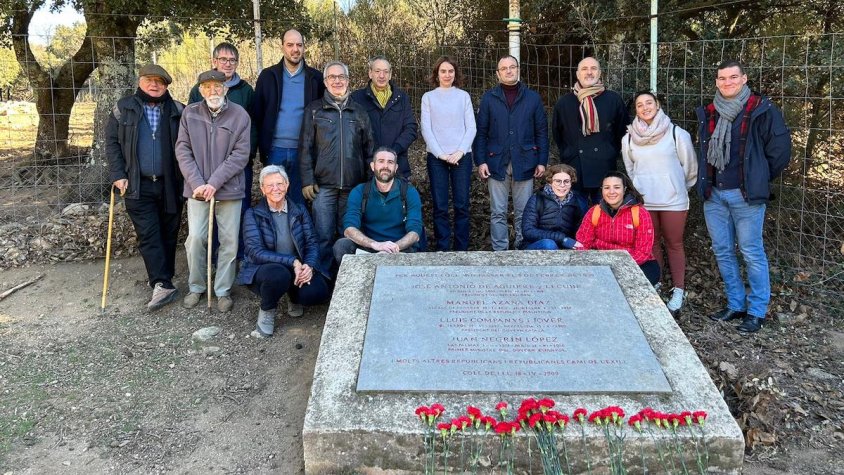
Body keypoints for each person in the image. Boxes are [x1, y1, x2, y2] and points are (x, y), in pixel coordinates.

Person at [697, 60, 792, 333]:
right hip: (714, 195)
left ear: (744, 79)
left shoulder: (762, 110)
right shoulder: (710, 111)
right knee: (724, 251)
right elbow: (704, 150)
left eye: (733, 77)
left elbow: (780, 152)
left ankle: (756, 310)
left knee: (751, 252)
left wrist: (757, 176)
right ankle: (735, 304)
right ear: (716, 82)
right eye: (722, 78)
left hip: (746, 196)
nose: (728, 82)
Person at [106, 64, 185, 311]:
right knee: (149, 233)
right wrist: (118, 174)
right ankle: (161, 283)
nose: (154, 85)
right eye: (150, 80)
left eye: (160, 82)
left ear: (166, 86)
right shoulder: (124, 108)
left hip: (170, 183)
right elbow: (111, 142)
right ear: (140, 81)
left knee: (169, 231)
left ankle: (165, 275)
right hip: (137, 184)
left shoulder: (177, 110)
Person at [175, 70, 251, 312]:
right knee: (195, 239)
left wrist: (214, 182)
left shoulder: (239, 115)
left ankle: (223, 290)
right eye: (207, 87)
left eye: (218, 86)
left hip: (229, 189)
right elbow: (183, 150)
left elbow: (240, 155)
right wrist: (198, 183)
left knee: (229, 241)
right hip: (197, 189)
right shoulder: (190, 113)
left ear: (226, 88)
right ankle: (196, 286)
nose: (213, 91)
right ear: (200, 90)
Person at [622, 91, 698, 312]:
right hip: (645, 202)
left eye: (649, 103)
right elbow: (631, 170)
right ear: (635, 110)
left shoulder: (677, 134)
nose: (645, 107)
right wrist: (642, 188)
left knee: (674, 244)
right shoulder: (628, 139)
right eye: (639, 105)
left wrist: (677, 188)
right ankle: (657, 283)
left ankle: (678, 289)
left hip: (673, 201)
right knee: (651, 244)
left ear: (657, 105)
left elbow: (690, 169)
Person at [237, 165, 331, 338]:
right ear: (263, 189)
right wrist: (293, 261)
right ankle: (267, 311)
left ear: (287, 185)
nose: (275, 189)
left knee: (317, 292)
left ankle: (293, 296)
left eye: (279, 184)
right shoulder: (253, 214)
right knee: (278, 275)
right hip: (266, 268)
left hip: (296, 267)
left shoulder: (299, 210)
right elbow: (255, 251)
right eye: (270, 185)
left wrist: (308, 266)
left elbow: (311, 242)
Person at [299, 60, 375, 272]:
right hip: (323, 187)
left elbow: (370, 149)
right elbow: (305, 147)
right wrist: (307, 179)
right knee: (322, 235)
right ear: (325, 81)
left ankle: (345, 284)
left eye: (341, 76)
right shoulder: (314, 110)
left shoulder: (359, 112)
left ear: (348, 80)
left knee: (348, 236)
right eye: (332, 77)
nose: (337, 81)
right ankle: (323, 280)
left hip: (353, 187)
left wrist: (369, 184)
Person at [187, 42, 257, 259]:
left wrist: (248, 155)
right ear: (214, 61)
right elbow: (189, 129)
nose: (227, 64)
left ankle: (239, 257)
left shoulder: (245, 91)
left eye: (232, 60)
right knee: (209, 216)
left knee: (238, 213)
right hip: (205, 168)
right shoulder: (198, 90)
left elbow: (253, 126)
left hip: (237, 165)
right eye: (223, 59)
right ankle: (213, 258)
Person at [474, 54, 549, 251]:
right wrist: (480, 161)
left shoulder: (532, 98)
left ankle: (522, 248)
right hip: (495, 162)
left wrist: (542, 161)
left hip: (525, 161)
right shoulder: (489, 98)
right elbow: (481, 132)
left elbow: (541, 131)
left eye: (512, 67)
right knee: (497, 211)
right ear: (498, 74)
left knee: (524, 211)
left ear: (518, 69)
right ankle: (500, 252)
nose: (508, 71)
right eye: (504, 68)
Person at [253, 29, 325, 205]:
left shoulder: (315, 78)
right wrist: (260, 149)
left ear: (304, 47)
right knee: (274, 200)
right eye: (290, 45)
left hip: (304, 152)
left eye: (299, 45)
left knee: (299, 202)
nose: (295, 49)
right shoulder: (268, 77)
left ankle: (297, 233)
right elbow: (257, 114)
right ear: (282, 47)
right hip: (275, 150)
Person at [552, 56, 630, 204]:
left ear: (600, 73)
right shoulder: (564, 103)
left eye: (593, 69)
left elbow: (623, 131)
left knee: (604, 218)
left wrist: (610, 151)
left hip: (604, 168)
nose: (589, 72)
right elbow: (558, 134)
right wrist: (569, 152)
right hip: (574, 168)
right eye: (584, 69)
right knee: (577, 219)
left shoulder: (613, 100)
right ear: (577, 74)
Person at [420, 56, 476, 251]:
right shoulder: (428, 97)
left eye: (450, 71)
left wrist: (459, 152)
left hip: (462, 157)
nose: (447, 75)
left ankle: (461, 249)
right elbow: (426, 129)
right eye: (443, 71)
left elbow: (471, 128)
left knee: (462, 205)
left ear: (455, 74)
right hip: (437, 159)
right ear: (437, 74)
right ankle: (443, 249)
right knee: (440, 206)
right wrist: (441, 154)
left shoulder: (463, 96)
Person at [333, 147, 423, 261]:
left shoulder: (409, 192)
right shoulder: (360, 191)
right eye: (381, 161)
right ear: (372, 166)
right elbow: (349, 229)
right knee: (342, 246)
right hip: (369, 249)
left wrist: (393, 248)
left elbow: (415, 232)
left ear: (395, 168)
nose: (385, 166)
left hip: (399, 249)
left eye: (390, 162)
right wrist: (376, 245)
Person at [575, 171, 660, 285]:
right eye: (606, 187)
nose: (611, 192)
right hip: (602, 260)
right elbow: (583, 243)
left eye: (616, 187)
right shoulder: (594, 212)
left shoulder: (639, 213)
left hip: (635, 261)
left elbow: (642, 251)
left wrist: (617, 268)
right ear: (602, 190)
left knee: (637, 282)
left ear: (624, 189)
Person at [351, 56, 418, 179]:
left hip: (398, 166)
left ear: (390, 74)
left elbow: (411, 128)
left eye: (386, 71)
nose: (382, 75)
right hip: (367, 168)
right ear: (370, 73)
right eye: (377, 71)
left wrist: (394, 151)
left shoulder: (402, 98)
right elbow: (352, 132)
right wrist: (372, 156)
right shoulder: (356, 98)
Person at [521, 164, 588, 250]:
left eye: (566, 181)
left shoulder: (578, 201)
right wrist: (562, 238)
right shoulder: (537, 199)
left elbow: (583, 230)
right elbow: (528, 231)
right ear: (550, 182)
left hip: (565, 247)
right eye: (558, 181)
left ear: (571, 182)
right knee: (549, 244)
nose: (562, 185)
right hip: (537, 245)